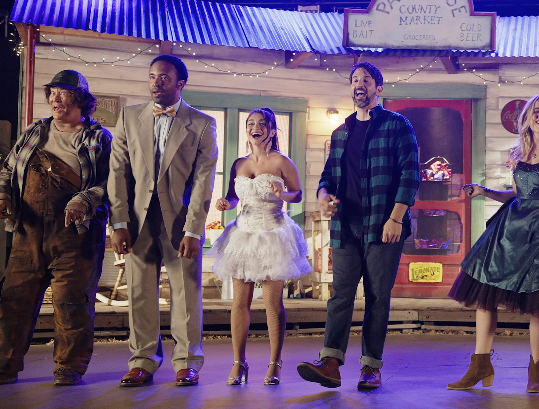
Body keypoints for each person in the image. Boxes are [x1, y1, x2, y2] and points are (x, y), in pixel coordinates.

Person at [0, 70, 111, 387]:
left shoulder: (98, 138)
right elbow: (8, 171)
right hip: (28, 234)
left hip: (77, 238)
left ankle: (69, 368)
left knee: (72, 304)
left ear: (81, 99)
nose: (56, 98)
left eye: (64, 93)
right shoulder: (34, 132)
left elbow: (110, 183)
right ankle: (1, 368)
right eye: (52, 92)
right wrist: (2, 197)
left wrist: (84, 199)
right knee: (13, 302)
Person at [446, 93, 539, 393]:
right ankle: (480, 365)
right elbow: (516, 195)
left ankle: (535, 369)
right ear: (527, 118)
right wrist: (485, 191)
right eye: (536, 111)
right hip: (510, 230)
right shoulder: (518, 152)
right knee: (485, 296)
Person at [296, 62, 419, 391]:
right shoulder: (341, 132)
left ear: (379, 88)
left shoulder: (397, 125)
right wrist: (323, 196)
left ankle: (370, 367)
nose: (359, 84)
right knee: (341, 296)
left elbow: (410, 175)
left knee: (377, 298)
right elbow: (327, 177)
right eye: (354, 79)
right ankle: (330, 363)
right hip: (345, 228)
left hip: (383, 226)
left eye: (366, 79)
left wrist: (396, 217)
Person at [107, 54, 218, 387]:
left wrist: (194, 230)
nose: (156, 82)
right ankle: (142, 362)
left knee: (186, 294)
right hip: (137, 221)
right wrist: (119, 223)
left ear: (180, 83)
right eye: (152, 76)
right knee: (140, 294)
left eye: (164, 77)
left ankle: (187, 362)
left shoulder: (202, 124)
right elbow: (117, 171)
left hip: (181, 223)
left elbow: (203, 181)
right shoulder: (128, 117)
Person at [208, 107, 312, 385]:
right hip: (243, 234)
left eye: (262, 124)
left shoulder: (282, 161)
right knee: (239, 303)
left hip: (273, 233)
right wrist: (225, 203)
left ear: (272, 130)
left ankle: (275, 363)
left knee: (272, 304)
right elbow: (233, 197)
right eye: (251, 123)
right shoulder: (239, 164)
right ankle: (238, 362)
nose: (256, 128)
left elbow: (297, 194)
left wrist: (283, 193)